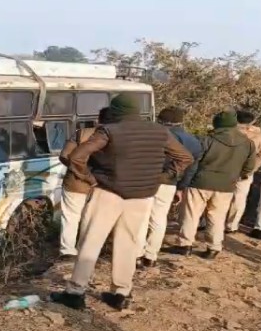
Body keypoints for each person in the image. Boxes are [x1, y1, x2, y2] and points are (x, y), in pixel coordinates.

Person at [50, 93, 192, 311]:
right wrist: (161, 178)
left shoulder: (109, 130)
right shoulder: (160, 131)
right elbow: (185, 158)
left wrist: (89, 178)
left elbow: (77, 157)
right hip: (142, 196)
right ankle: (121, 293)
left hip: (108, 192)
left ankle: (75, 292)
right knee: (129, 243)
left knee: (91, 241)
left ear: (115, 111)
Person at [169, 111, 255, 259]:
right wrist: (236, 176)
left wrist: (184, 184)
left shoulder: (207, 140)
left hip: (200, 182)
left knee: (191, 214)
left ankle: (185, 245)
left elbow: (194, 164)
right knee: (217, 217)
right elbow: (249, 167)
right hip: (226, 185)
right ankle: (214, 247)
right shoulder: (248, 143)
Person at [137, 107, 202, 268]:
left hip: (147, 179)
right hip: (170, 183)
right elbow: (191, 167)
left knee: (141, 218)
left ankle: (137, 254)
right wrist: (181, 186)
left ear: (160, 120)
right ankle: (151, 256)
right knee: (159, 219)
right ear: (181, 121)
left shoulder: (154, 135)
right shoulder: (193, 141)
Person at [57, 107, 114, 261]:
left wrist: (78, 171)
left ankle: (68, 251)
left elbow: (65, 155)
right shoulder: (117, 136)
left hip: (75, 183)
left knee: (70, 217)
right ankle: (86, 250)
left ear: (99, 119)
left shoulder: (81, 133)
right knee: (91, 218)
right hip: (102, 185)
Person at [226, 110, 261, 234]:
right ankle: (232, 225)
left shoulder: (227, 131)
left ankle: (210, 222)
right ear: (253, 121)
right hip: (246, 172)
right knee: (239, 198)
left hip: (225, 168)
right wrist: (251, 169)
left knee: (218, 195)